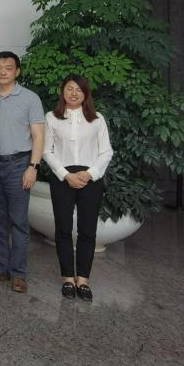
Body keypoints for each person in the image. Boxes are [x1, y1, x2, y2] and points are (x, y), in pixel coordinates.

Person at [43, 75, 114, 302]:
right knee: (63, 229)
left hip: (90, 179)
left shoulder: (97, 119)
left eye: (79, 90)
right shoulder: (52, 117)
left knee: (87, 230)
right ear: (62, 91)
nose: (74, 93)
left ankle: (83, 280)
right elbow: (46, 151)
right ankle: (67, 278)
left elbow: (106, 152)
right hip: (62, 178)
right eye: (70, 88)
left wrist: (90, 173)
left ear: (85, 94)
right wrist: (66, 175)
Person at [0, 51, 45, 293]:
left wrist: (33, 167)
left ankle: (18, 273)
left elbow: (38, 136)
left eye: (8, 67)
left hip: (20, 164)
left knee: (18, 221)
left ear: (17, 71)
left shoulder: (30, 98)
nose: (3, 71)